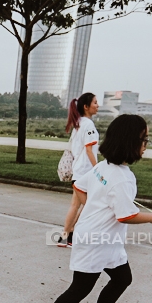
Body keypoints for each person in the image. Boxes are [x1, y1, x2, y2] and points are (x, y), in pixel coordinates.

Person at [29, 114, 152, 303]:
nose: (146, 144)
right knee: (81, 287)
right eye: (143, 139)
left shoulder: (104, 167)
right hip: (95, 240)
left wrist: (95, 204)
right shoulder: (122, 179)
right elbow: (126, 216)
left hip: (107, 241)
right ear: (129, 142)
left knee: (122, 279)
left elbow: (79, 185)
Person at [57, 93, 100, 248]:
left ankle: (66, 237)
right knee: (90, 207)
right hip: (85, 172)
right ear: (86, 107)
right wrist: (98, 170)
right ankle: (71, 235)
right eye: (95, 103)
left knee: (76, 205)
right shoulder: (88, 125)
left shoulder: (78, 124)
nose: (98, 105)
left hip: (79, 171)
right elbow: (89, 151)